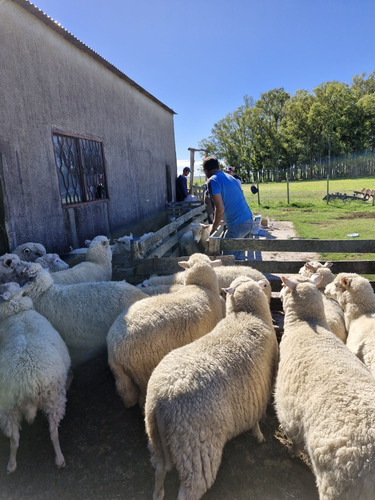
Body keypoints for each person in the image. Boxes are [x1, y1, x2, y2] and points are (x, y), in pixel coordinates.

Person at [203, 156, 253, 260]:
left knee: (226, 258)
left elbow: (220, 209)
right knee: (238, 257)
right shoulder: (229, 177)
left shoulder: (212, 181)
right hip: (248, 219)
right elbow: (232, 199)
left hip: (237, 223)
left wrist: (213, 228)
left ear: (206, 171)